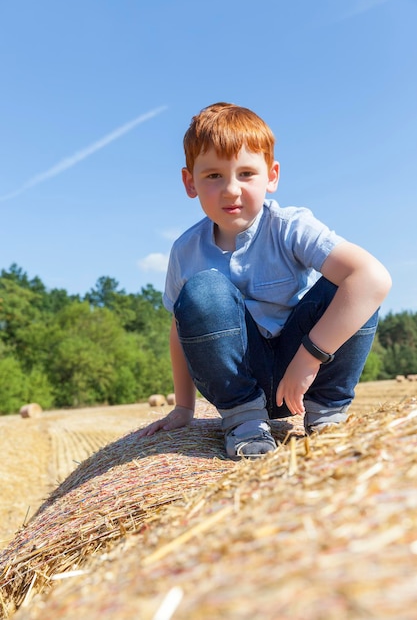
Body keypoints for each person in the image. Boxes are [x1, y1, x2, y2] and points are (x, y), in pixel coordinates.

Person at [138, 102, 392, 460]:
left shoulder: (290, 226)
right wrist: (183, 407)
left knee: (349, 284)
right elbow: (179, 329)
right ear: (189, 182)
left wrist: (308, 359)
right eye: (213, 175)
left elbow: (373, 278)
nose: (230, 189)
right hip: (239, 378)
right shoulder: (185, 250)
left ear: (272, 176)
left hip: (303, 371)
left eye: (246, 174)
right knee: (202, 291)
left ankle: (326, 413)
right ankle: (243, 420)